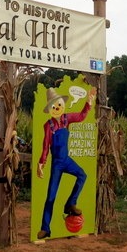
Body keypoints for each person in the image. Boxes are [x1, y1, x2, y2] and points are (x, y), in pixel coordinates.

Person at [36, 86, 96, 239]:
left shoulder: (66, 119)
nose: (57, 108)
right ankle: (45, 228)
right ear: (50, 108)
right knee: (50, 197)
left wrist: (88, 102)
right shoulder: (48, 126)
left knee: (82, 175)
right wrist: (41, 163)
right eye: (54, 106)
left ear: (62, 104)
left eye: (59, 105)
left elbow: (82, 116)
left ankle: (70, 203)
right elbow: (45, 146)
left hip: (67, 160)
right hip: (56, 164)